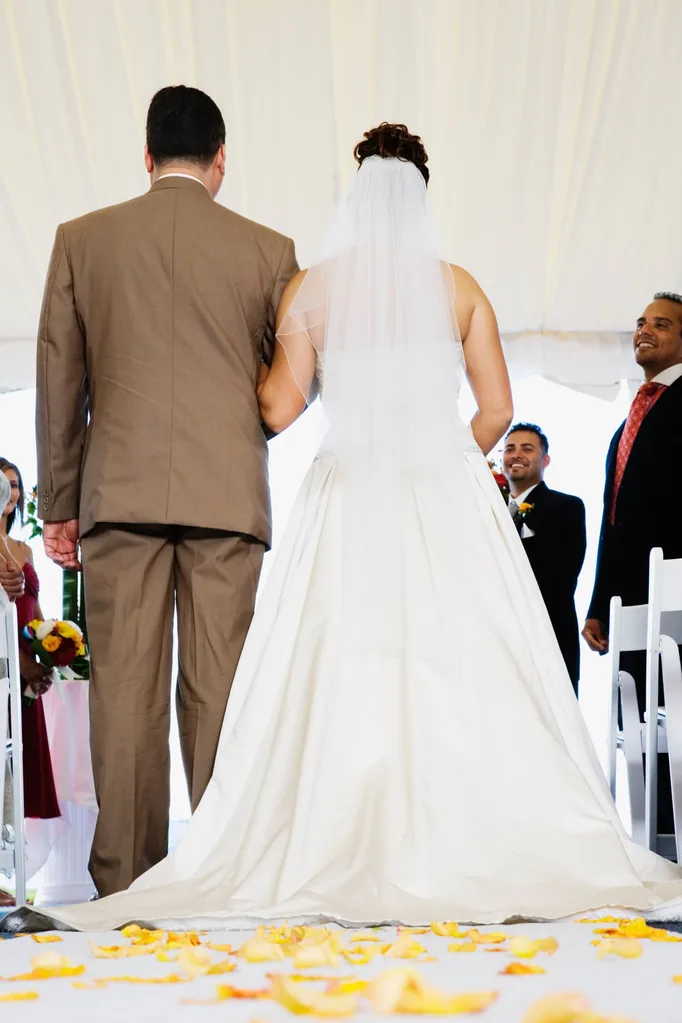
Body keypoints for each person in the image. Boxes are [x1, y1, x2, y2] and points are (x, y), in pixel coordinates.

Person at [7, 125, 682, 935]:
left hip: (346, 492)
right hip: (440, 496)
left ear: (355, 195)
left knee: (341, 660)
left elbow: (275, 408)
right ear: (421, 197)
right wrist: (443, 459)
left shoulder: (316, 292)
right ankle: (466, 829)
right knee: (456, 659)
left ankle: (324, 835)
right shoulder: (459, 286)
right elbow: (498, 410)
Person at [33, 86, 299, 899]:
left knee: (124, 697)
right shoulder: (269, 249)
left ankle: (124, 882)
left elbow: (58, 378)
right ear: (220, 162)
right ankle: (223, 877)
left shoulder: (83, 240)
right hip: (227, 499)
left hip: (119, 495)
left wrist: (60, 504)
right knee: (220, 691)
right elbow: (294, 378)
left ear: (146, 157)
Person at [583, 292, 682, 837]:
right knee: (643, 726)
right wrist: (599, 605)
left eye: (661, 324)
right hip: (634, 605)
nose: (644, 330)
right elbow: (613, 523)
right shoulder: (625, 427)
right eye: (641, 323)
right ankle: (658, 845)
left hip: (678, 595)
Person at [0, 459, 60, 902]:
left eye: (16, 486)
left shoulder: (23, 547)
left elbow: (33, 610)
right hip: (3, 660)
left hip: (23, 661)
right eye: (5, 486)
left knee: (12, 771)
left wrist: (45, 654)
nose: (12, 494)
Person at [503, 424, 586, 693]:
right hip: (496, 642)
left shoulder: (566, 507)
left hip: (546, 638)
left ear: (545, 460)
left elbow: (559, 578)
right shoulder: (485, 508)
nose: (516, 455)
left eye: (527, 449)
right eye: (510, 449)